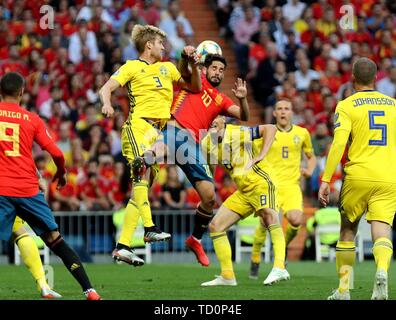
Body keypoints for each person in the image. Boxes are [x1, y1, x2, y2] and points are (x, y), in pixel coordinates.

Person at [116, 54, 250, 267]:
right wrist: (187, 58)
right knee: (147, 173)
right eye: (214, 68)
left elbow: (244, 115)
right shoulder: (193, 80)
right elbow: (183, 68)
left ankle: (195, 239)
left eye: (221, 70)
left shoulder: (222, 99)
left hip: (191, 145)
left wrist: (242, 98)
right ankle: (144, 159)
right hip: (172, 128)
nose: (218, 72)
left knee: (209, 196)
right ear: (205, 70)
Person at [99, 24, 201, 266]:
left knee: (140, 188)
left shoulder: (168, 68)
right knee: (140, 173)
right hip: (139, 127)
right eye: (160, 43)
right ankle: (149, 227)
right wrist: (107, 103)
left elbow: (194, 86)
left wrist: (190, 62)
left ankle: (123, 247)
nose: (164, 47)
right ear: (149, 46)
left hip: (159, 135)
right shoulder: (132, 67)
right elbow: (106, 88)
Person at [0, 72, 100, 300]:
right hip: (28, 190)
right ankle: (90, 290)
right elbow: (56, 153)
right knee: (55, 240)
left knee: (19, 233)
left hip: (2, 189)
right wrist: (62, 174)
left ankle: (45, 285)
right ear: (22, 92)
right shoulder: (32, 119)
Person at [318, 57, 396, 300]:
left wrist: (326, 179)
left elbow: (339, 143)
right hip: (388, 176)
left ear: (352, 78)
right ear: (376, 78)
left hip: (358, 175)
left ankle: (343, 290)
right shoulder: (393, 105)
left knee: (348, 231)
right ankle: (382, 271)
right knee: (382, 230)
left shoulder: (346, 105)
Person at [200, 116, 289, 286]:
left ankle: (279, 267)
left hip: (260, 181)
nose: (212, 120)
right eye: (209, 117)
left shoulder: (236, 132)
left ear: (223, 121)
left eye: (216, 118)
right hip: (243, 191)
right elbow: (210, 170)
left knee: (269, 216)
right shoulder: (206, 144)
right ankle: (227, 276)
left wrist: (261, 155)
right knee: (215, 226)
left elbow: (270, 128)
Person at [249, 99, 317, 279]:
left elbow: (311, 157)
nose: (283, 112)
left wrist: (309, 170)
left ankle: (283, 247)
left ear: (292, 112)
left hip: (291, 186)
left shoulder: (302, 133)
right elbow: (251, 153)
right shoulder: (266, 132)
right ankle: (255, 257)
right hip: (270, 186)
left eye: (286, 109)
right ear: (274, 113)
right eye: (279, 109)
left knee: (296, 220)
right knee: (264, 224)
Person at [11, 175, 62, 299]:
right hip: (11, 190)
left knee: (19, 232)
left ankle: (43, 285)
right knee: (20, 233)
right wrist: (38, 178)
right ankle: (43, 285)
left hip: (7, 191)